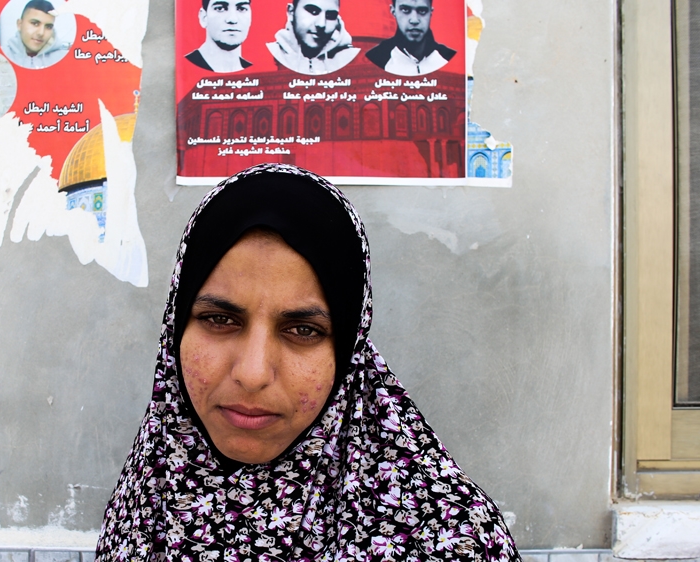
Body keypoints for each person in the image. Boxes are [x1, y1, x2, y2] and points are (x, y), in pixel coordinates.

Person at [96, 163, 521, 561]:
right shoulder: (149, 492)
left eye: (303, 330)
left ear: (347, 351)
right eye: (219, 319)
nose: (253, 373)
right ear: (177, 329)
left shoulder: (448, 538)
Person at [266, 0, 360, 75]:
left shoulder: (353, 58)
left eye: (330, 16)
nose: (321, 24)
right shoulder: (270, 54)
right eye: (313, 11)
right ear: (291, 12)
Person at [366, 0, 457, 76]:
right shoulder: (375, 58)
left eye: (422, 11)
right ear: (393, 11)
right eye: (405, 10)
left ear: (430, 12)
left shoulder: (448, 57)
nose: (414, 20)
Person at [185, 0, 253, 73]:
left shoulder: (254, 72)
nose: (232, 19)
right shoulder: (186, 66)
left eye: (242, 9)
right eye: (220, 9)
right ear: (204, 17)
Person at [1, 0, 71, 69]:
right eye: (35, 23)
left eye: (48, 27)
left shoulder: (66, 59)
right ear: (19, 25)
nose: (41, 33)